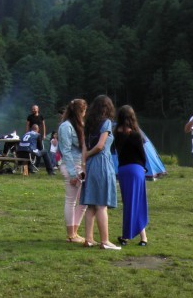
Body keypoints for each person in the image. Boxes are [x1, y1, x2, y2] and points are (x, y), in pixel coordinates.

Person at [80, 95, 120, 250]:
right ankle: (105, 241)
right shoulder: (107, 123)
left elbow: (84, 146)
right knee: (102, 204)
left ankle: (89, 239)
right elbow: (100, 146)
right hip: (101, 163)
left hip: (90, 165)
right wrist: (89, 154)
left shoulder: (89, 125)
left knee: (91, 204)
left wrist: (84, 160)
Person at [113, 105, 149, 246]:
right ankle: (140, 237)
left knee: (129, 203)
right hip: (136, 169)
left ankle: (128, 236)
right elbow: (142, 154)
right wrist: (144, 167)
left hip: (123, 170)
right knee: (138, 202)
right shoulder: (135, 134)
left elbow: (115, 151)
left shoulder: (116, 134)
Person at [57, 99, 88, 243]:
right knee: (71, 200)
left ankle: (75, 232)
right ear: (79, 111)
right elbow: (66, 151)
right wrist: (72, 173)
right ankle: (70, 234)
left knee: (84, 201)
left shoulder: (80, 125)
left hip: (81, 166)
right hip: (71, 165)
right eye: (84, 111)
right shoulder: (66, 126)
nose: (85, 113)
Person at [25, 104, 54, 175]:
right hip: (32, 137)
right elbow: (27, 125)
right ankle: (49, 170)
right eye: (32, 109)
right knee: (41, 151)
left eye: (34, 109)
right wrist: (27, 133)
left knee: (39, 150)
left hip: (39, 136)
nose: (33, 110)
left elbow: (43, 125)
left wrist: (44, 134)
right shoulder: (30, 117)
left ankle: (36, 165)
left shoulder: (41, 117)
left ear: (37, 109)